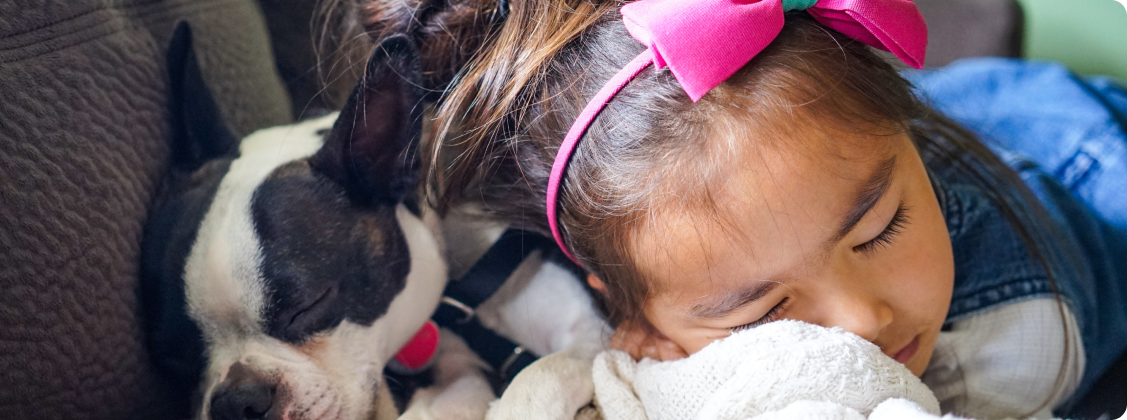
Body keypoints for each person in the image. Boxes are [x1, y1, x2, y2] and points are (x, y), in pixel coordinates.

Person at [418, 0, 1127, 418]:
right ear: (635, 320)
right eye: (760, 311)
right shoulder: (633, 252)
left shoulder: (1019, 344)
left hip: (1084, 150)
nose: (863, 320)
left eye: (884, 230)